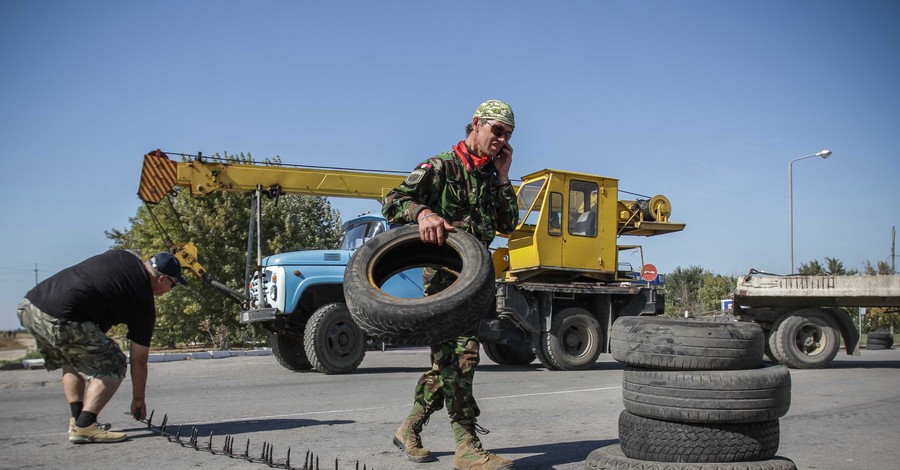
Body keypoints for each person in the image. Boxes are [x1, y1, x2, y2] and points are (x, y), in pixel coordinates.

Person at [383, 99, 519, 470]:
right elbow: (394, 201)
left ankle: (409, 427)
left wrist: (505, 175)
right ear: (476, 124)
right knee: (464, 355)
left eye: (507, 135)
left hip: (476, 281)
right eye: (497, 130)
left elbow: (509, 224)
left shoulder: (492, 175)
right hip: (444, 278)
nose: (501, 139)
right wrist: (425, 213)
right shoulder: (442, 166)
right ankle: (466, 445)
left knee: (446, 361)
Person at [17, 250, 186, 444]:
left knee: (73, 358)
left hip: (31, 306)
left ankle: (77, 420)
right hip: (61, 317)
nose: (169, 290)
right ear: (162, 279)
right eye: (173, 285)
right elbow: (139, 358)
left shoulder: (123, 256)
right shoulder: (143, 302)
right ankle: (85, 425)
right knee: (114, 363)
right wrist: (138, 398)